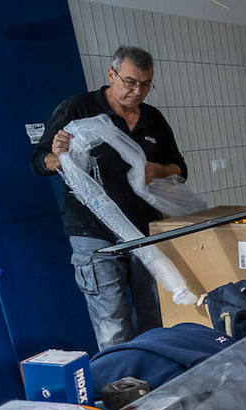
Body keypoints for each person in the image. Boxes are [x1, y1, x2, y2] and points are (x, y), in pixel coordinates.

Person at [32, 45, 187, 349]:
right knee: (112, 322)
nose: (137, 91)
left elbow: (180, 168)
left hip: (144, 231)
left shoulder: (153, 118)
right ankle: (124, 389)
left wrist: (158, 170)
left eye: (145, 84)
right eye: (130, 82)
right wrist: (58, 155)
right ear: (111, 74)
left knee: (154, 313)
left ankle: (157, 376)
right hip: (94, 234)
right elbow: (39, 162)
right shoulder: (78, 109)